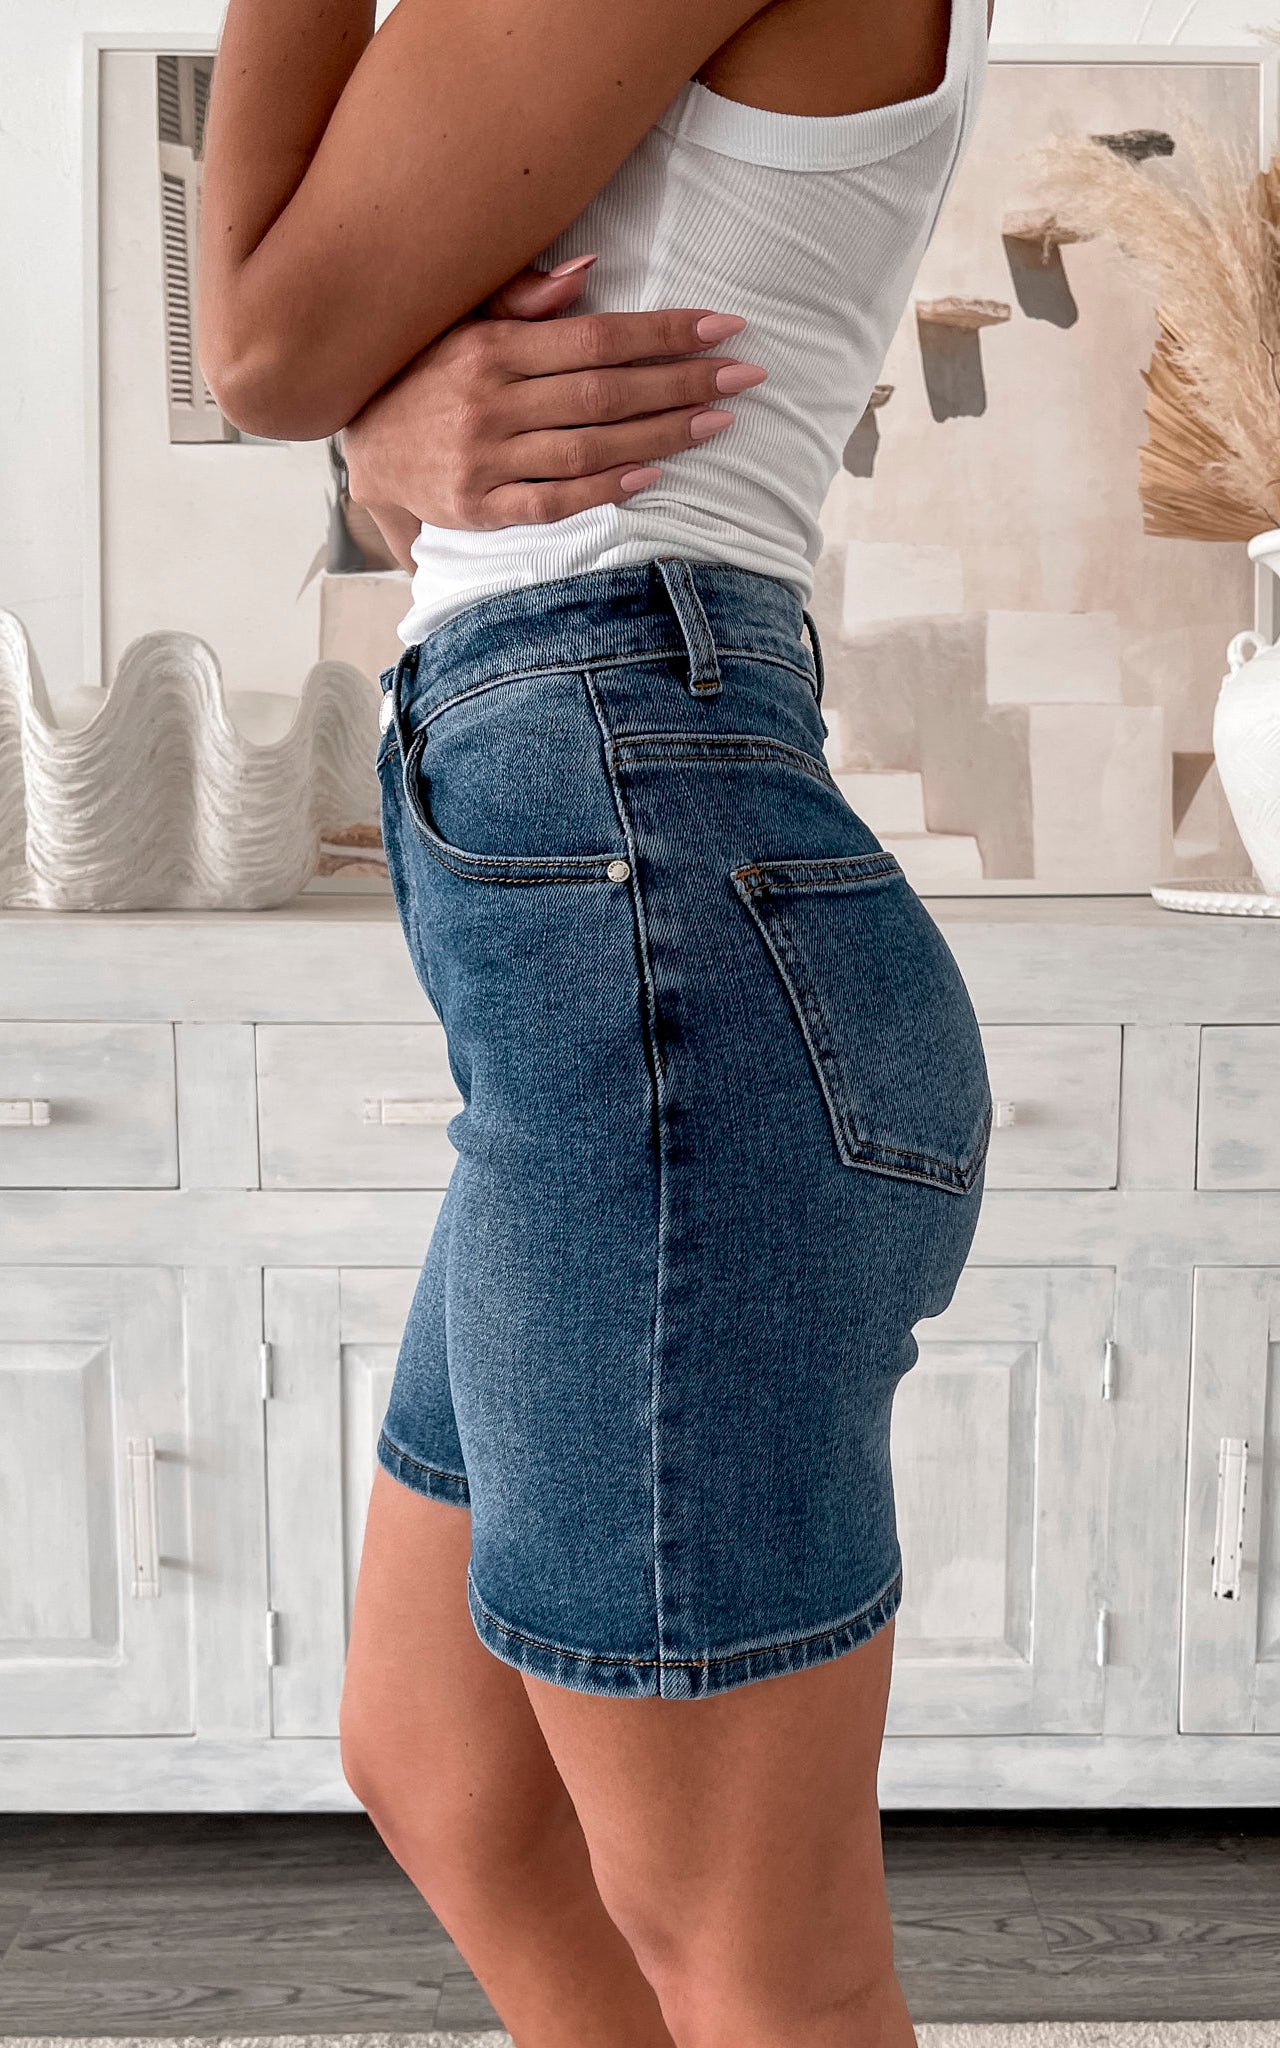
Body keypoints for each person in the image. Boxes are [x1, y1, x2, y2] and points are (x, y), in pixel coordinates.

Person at [199, 1, 992, 2040]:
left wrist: (345, 403)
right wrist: (377, 433)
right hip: (605, 892)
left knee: (745, 1944)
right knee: (446, 1767)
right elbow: (369, 437)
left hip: (651, 887)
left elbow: (266, 345)